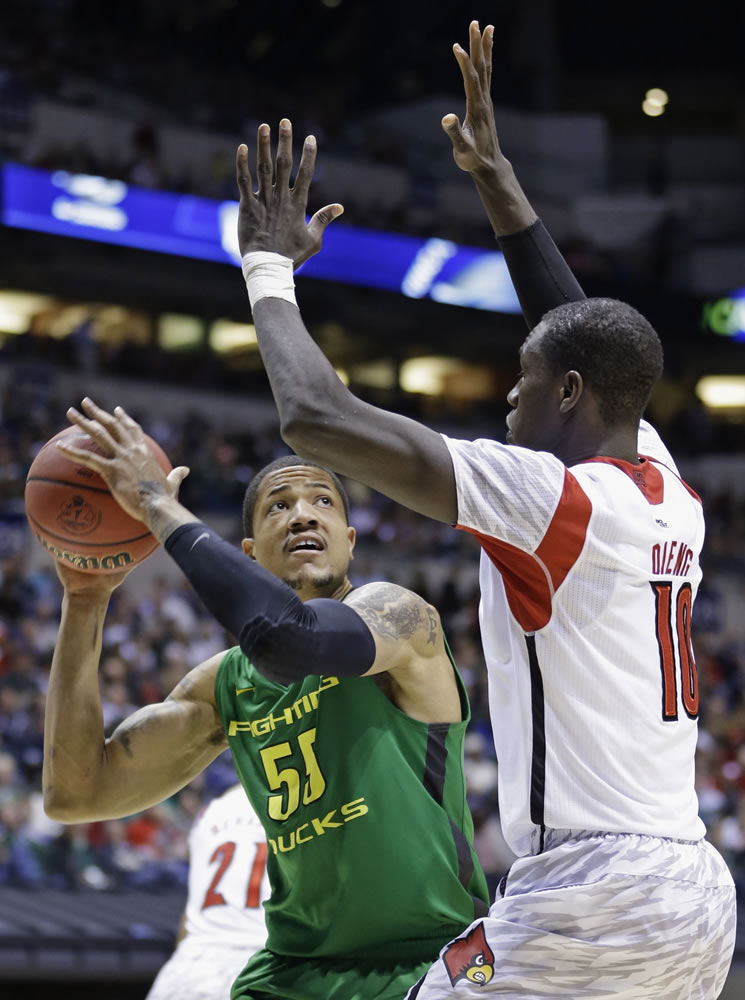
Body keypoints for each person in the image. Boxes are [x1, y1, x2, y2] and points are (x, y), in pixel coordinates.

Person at [229, 19, 736, 999]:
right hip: (694, 892)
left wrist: (265, 268)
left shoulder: (553, 501)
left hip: (592, 891)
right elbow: (582, 334)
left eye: (523, 381)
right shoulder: (665, 483)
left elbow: (313, 416)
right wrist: (495, 180)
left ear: (571, 395)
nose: (508, 399)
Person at [44, 412, 489, 1000]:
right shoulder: (227, 685)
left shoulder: (400, 619)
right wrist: (84, 600)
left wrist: (156, 504)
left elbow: (295, 640)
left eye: (323, 502)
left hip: (425, 961)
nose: (303, 513)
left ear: (350, 542)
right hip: (291, 973)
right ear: (249, 554)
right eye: (279, 505)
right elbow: (76, 792)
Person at [145, 784, 270, 1000]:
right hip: (259, 964)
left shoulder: (211, 811)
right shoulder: (308, 809)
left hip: (188, 965)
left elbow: (190, 912)